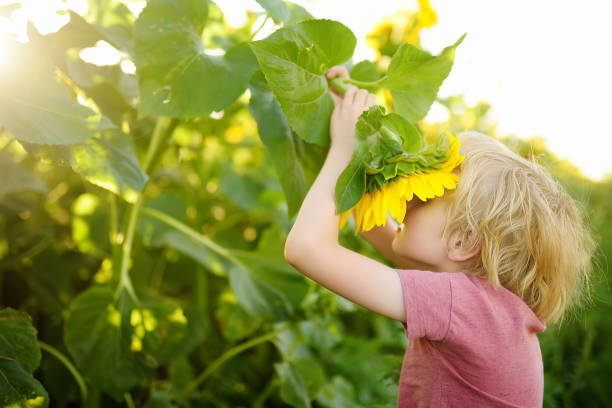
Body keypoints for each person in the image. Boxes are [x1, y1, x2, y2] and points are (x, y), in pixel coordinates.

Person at [283, 65, 595, 407]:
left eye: (429, 194)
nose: (409, 195)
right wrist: (356, 134)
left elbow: (307, 248)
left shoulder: (459, 305)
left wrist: (343, 150)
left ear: (463, 241)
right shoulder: (488, 306)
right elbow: (368, 222)